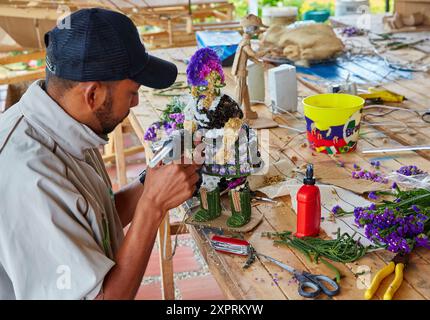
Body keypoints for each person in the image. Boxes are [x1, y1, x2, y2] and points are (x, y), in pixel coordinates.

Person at [0, 8, 199, 299]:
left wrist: (151, 179)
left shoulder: (64, 124)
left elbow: (91, 222)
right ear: (92, 95)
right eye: (131, 92)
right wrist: (153, 205)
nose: (136, 101)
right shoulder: (30, 178)